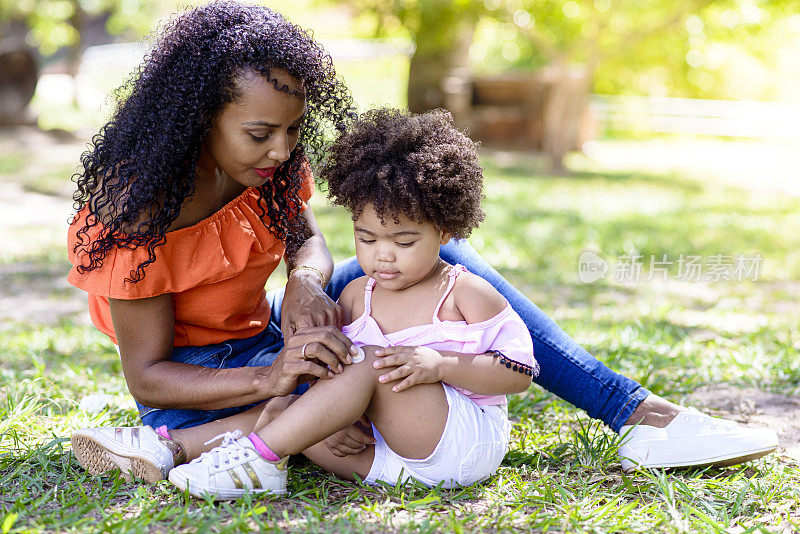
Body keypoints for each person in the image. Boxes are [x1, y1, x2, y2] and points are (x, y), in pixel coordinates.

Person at [68, 1, 778, 489]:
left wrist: (310, 287)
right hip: (206, 381)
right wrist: (279, 375)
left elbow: (306, 237)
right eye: (261, 133)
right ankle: (182, 446)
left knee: (437, 261)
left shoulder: (267, 167)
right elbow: (151, 376)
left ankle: (637, 414)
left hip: (270, 337)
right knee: (352, 381)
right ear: (200, 117)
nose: (283, 151)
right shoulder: (134, 210)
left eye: (293, 131)